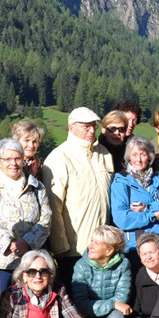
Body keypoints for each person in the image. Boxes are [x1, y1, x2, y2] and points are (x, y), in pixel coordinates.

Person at [41, 107, 114, 286]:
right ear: (71, 127)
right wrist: (60, 246)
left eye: (93, 126)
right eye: (85, 126)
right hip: (75, 250)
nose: (91, 131)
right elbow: (53, 206)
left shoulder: (104, 153)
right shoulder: (59, 157)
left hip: (104, 246)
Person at [0, 138, 51, 295]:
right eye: (7, 159)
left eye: (17, 158)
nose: (13, 163)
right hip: (2, 263)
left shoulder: (36, 187)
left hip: (31, 264)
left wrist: (26, 242)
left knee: (29, 310)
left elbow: (45, 219)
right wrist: (10, 244)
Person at [110, 136, 159, 271]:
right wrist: (153, 216)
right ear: (128, 157)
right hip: (136, 248)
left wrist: (148, 208)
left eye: (143, 154)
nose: (139, 159)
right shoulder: (121, 182)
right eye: (134, 155)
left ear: (150, 157)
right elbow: (122, 218)